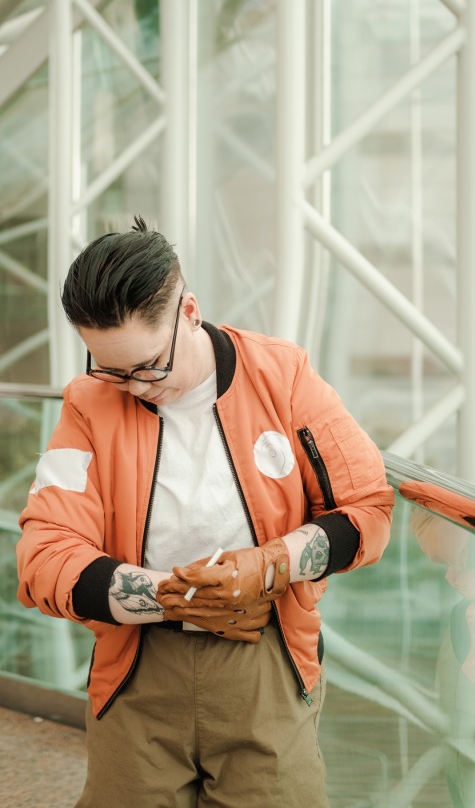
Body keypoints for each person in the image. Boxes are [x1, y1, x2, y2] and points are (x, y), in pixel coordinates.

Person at [15, 217, 394, 807]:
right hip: (136, 662)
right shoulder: (88, 404)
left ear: (188, 310)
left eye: (149, 365)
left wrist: (268, 566)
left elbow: (365, 508)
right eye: (111, 370)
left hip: (264, 659)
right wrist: (169, 594)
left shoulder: (282, 374)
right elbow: (45, 555)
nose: (135, 387)